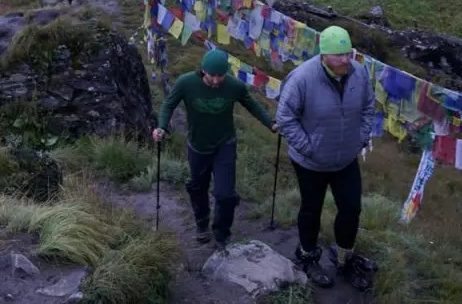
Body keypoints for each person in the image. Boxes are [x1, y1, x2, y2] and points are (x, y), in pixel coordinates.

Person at [274, 26, 378, 291]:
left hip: (345, 158)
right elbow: (285, 118)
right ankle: (307, 255)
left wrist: (361, 136)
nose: (346, 60)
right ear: (324, 55)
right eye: (339, 55)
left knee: (351, 209)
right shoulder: (301, 78)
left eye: (348, 53)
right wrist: (308, 148)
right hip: (310, 162)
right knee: (311, 210)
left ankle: (344, 257)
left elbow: (369, 106)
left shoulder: (359, 72)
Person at [152, 49, 277, 251]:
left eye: (221, 75)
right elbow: (168, 105)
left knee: (225, 194)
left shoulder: (234, 86)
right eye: (213, 75)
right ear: (203, 71)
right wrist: (162, 127)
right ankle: (202, 224)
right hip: (198, 145)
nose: (217, 80)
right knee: (198, 188)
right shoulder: (186, 83)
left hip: (224, 144)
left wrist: (270, 124)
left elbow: (252, 105)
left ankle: (221, 233)